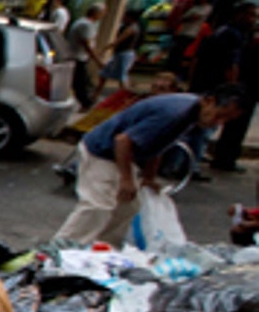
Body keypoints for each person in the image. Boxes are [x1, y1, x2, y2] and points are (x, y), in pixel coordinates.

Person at [52, 84, 248, 245]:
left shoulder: (190, 115)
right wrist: (127, 179)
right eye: (219, 115)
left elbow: (159, 145)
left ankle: (102, 249)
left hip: (123, 154)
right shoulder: (175, 112)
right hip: (103, 151)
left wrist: (148, 177)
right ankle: (61, 249)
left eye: (225, 120)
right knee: (99, 205)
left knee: (128, 207)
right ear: (209, 101)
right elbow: (123, 141)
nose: (218, 123)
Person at [201, 2, 258, 172]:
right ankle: (223, 158)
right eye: (251, 15)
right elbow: (232, 64)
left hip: (221, 84)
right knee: (225, 122)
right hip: (232, 86)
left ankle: (215, 155)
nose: (253, 20)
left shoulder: (228, 32)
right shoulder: (234, 35)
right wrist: (234, 87)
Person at [67, 3, 106, 109]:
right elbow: (87, 44)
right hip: (77, 57)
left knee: (82, 80)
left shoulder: (83, 23)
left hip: (79, 56)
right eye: (101, 13)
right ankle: (86, 102)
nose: (102, 16)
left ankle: (87, 100)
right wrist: (98, 61)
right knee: (80, 82)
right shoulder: (86, 25)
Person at [98, 10, 142, 95]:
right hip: (122, 53)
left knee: (122, 76)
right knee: (106, 73)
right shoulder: (131, 27)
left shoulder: (131, 28)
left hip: (125, 54)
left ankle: (124, 95)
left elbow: (119, 40)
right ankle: (97, 93)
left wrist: (105, 48)